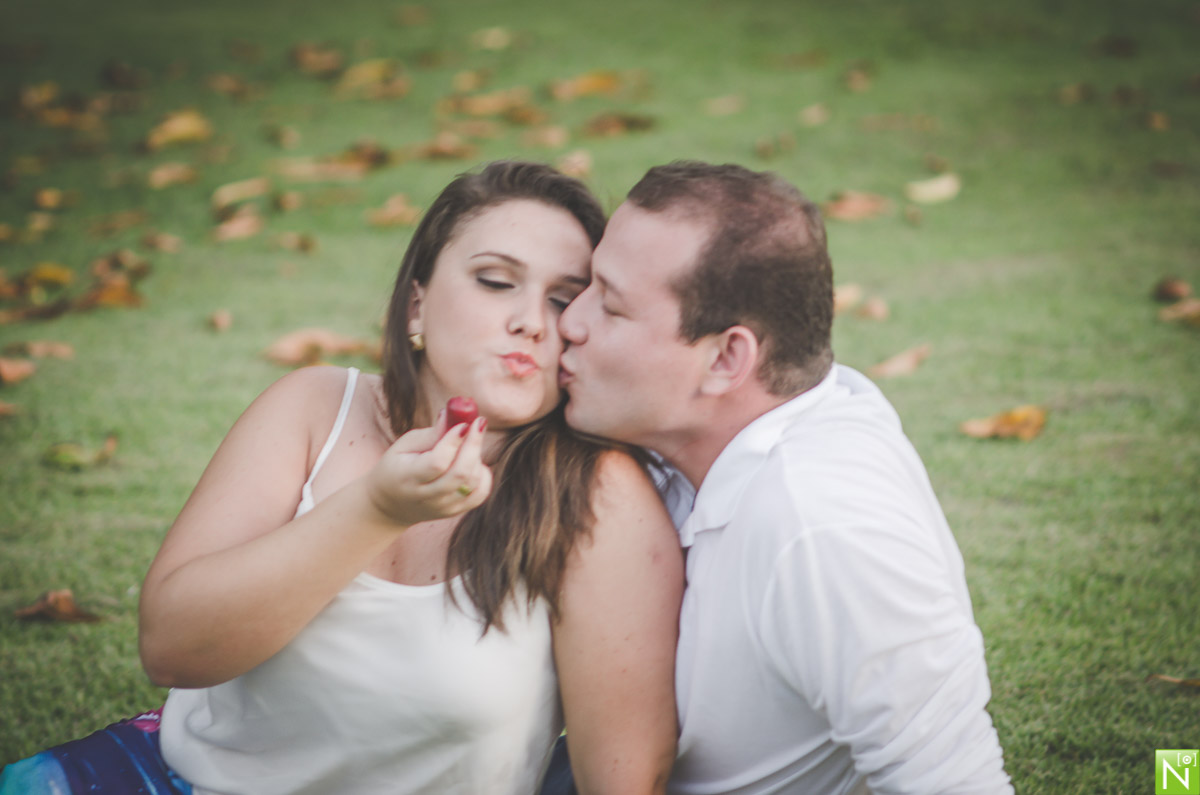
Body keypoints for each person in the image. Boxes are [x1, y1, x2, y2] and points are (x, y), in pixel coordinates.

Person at [0, 161, 684, 795]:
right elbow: (172, 648)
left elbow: (622, 778)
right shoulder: (314, 408)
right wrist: (376, 510)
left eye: (565, 299)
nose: (530, 321)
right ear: (416, 304)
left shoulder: (597, 495)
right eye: (496, 280)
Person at [550, 161, 1013, 794]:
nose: (568, 323)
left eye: (610, 305)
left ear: (726, 358)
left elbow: (954, 782)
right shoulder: (712, 429)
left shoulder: (824, 529)